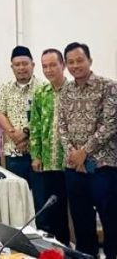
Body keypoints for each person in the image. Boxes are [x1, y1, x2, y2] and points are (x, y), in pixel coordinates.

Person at [57, 42, 117, 259]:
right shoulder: (66, 91)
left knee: (111, 220)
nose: (75, 65)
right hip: (74, 167)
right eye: (71, 62)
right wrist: (73, 154)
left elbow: (110, 123)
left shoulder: (108, 87)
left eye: (80, 60)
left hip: (103, 166)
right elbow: (61, 126)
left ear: (90, 61)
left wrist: (84, 152)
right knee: (81, 222)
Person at [29, 49, 70, 246]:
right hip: (47, 162)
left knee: (72, 209)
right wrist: (36, 156)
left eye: (53, 65)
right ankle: (53, 250)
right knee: (50, 210)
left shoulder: (73, 91)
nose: (49, 70)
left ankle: (69, 249)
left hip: (69, 162)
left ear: (63, 65)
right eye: (45, 66)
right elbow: (35, 126)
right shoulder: (40, 93)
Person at [0, 46, 43, 184]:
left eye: (25, 63)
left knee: (38, 193)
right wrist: (15, 135)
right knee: (16, 193)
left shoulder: (43, 88)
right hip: (13, 150)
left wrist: (26, 133)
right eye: (17, 64)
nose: (21, 67)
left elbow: (46, 117)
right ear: (12, 67)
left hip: (38, 153)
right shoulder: (5, 88)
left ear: (33, 65)